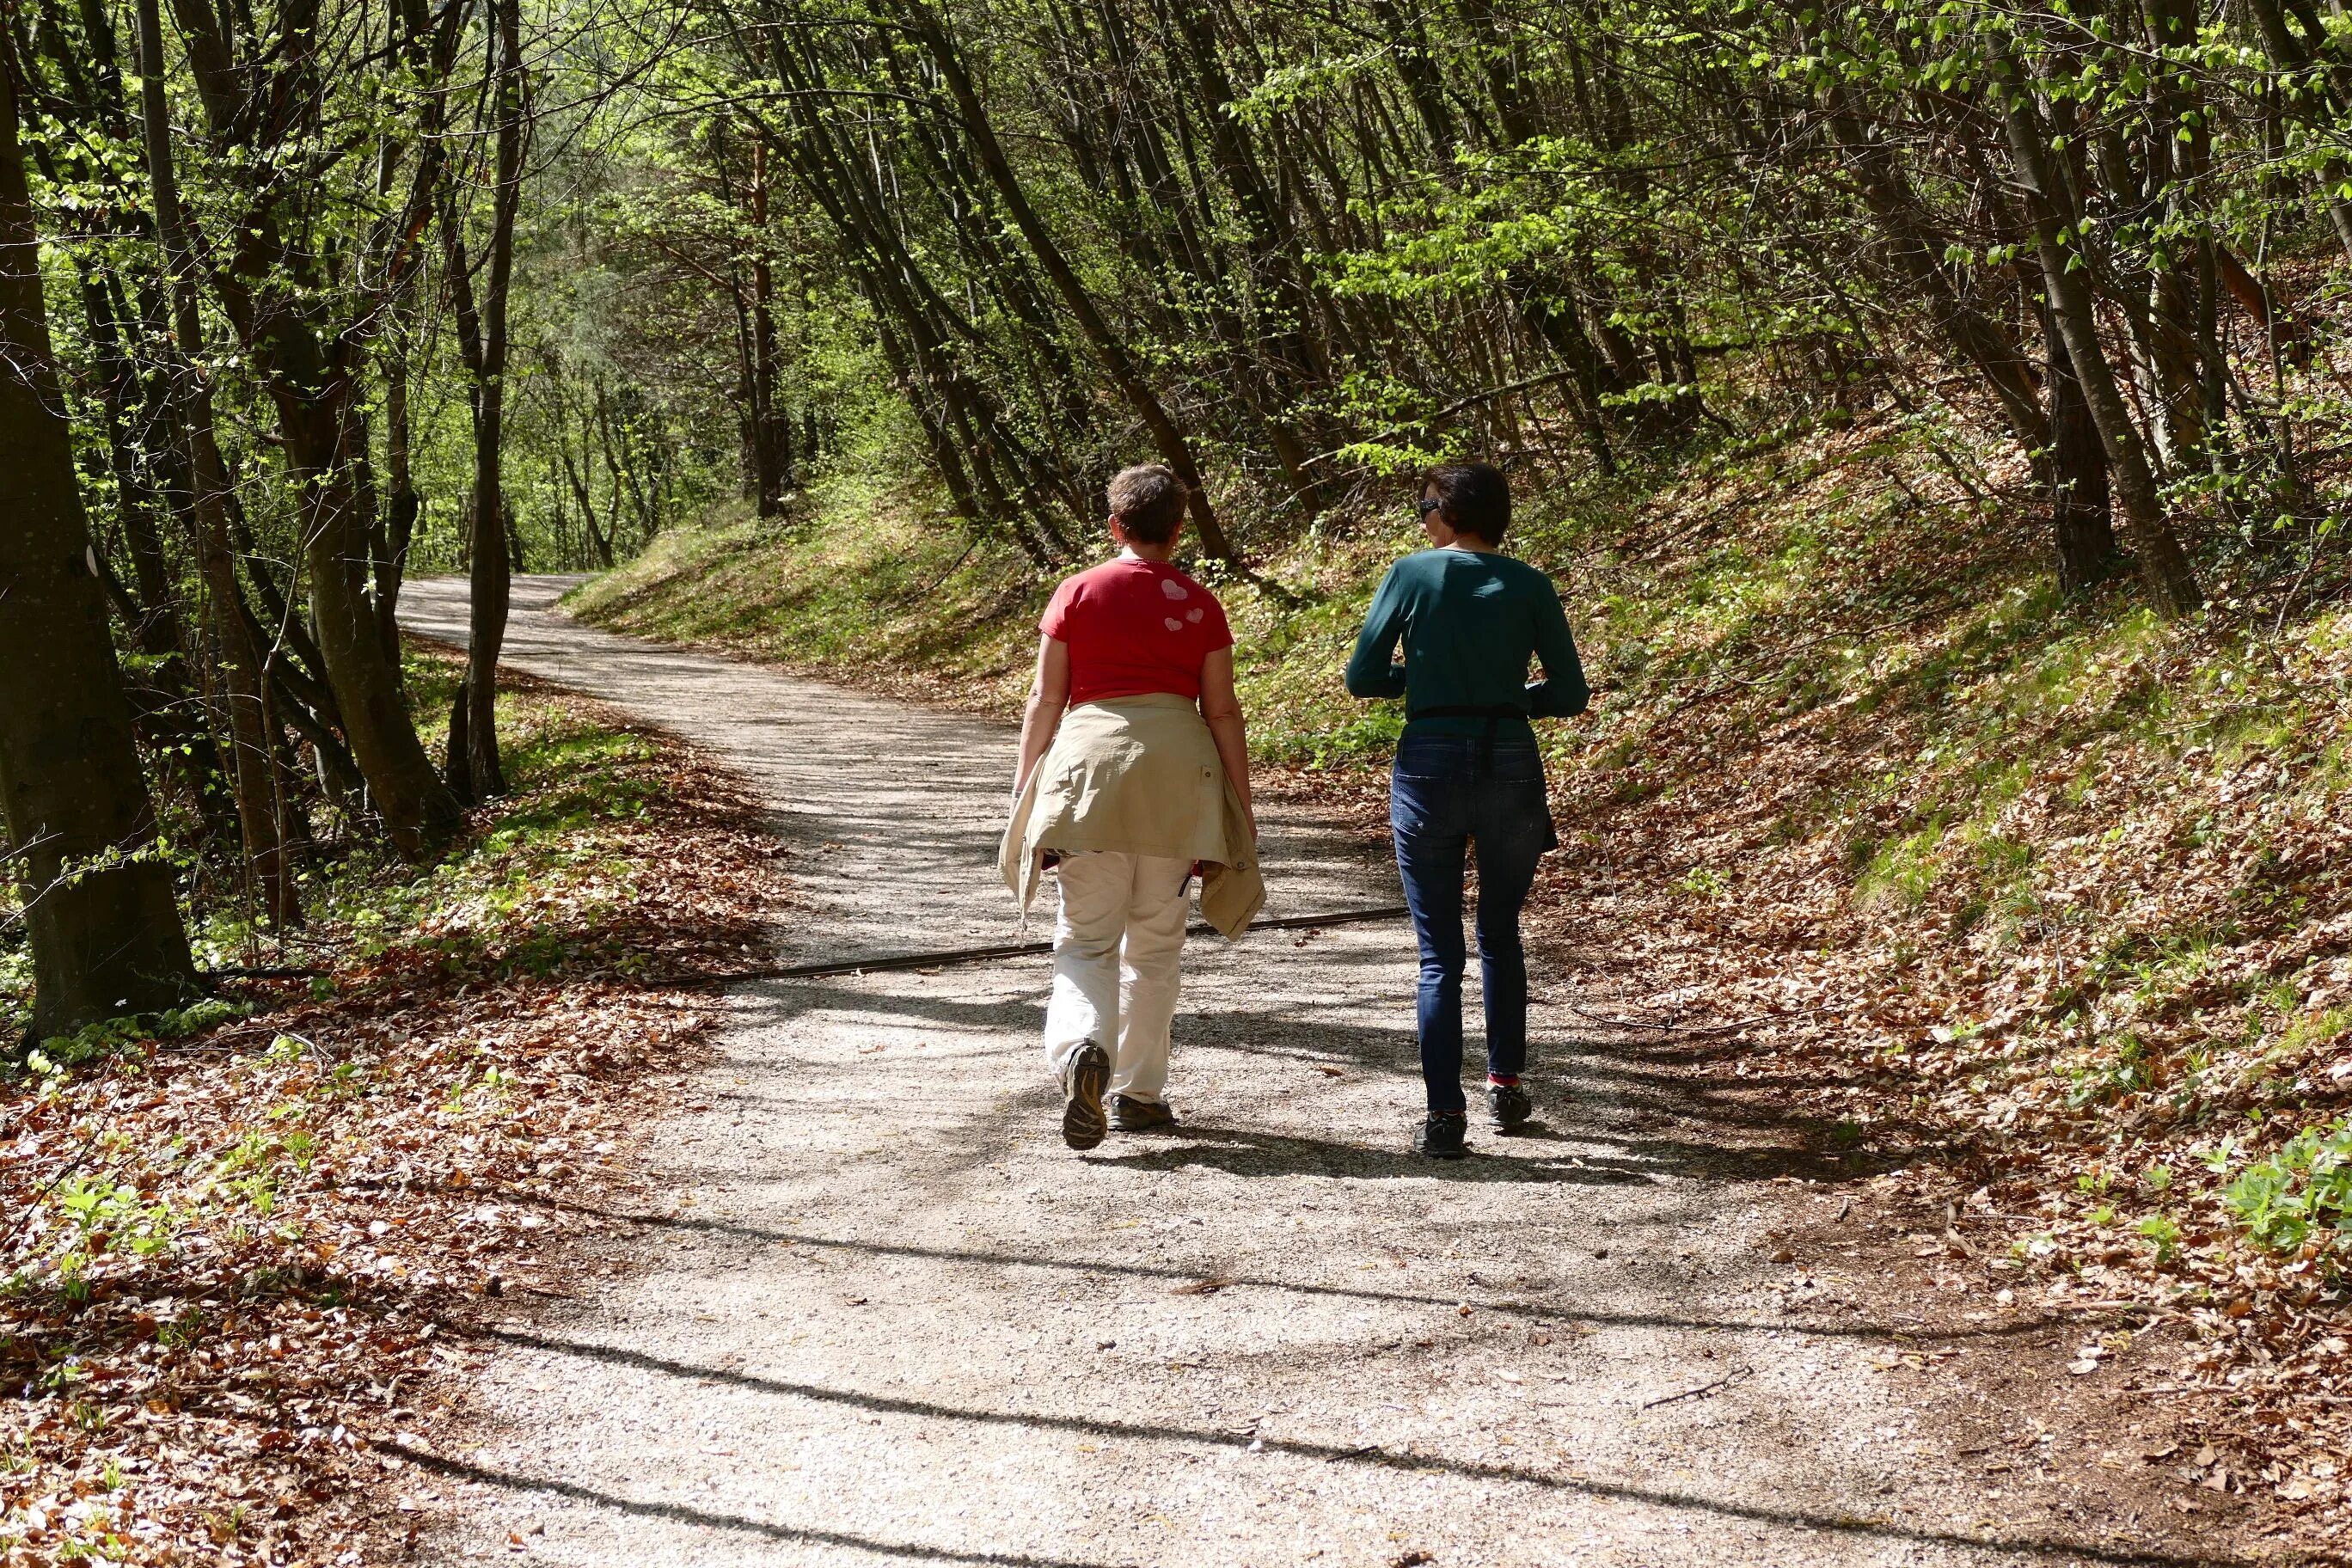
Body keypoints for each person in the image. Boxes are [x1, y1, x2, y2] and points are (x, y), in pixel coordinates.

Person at [1001, 464, 1263, 1151]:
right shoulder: (1201, 603)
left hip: (1089, 777)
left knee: (1086, 938)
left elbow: (1045, 700)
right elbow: (1223, 709)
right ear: (1178, 531)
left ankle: (1083, 1049)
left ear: (1115, 526)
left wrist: (1024, 786)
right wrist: (1238, 800)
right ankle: (1139, 1094)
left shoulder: (1077, 591)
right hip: (1179, 781)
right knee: (1155, 945)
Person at [1344, 461, 1588, 1160]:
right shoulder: (1531, 583)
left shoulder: (1412, 573)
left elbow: (1363, 676)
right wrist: (1511, 699)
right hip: (1511, 760)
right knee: (1500, 931)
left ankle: (1444, 1116)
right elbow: (1569, 693)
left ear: (1448, 513)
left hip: (1429, 760)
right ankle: (1506, 1084)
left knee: (1437, 955)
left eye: (1426, 505)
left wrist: (1421, 679)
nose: (1422, 516)